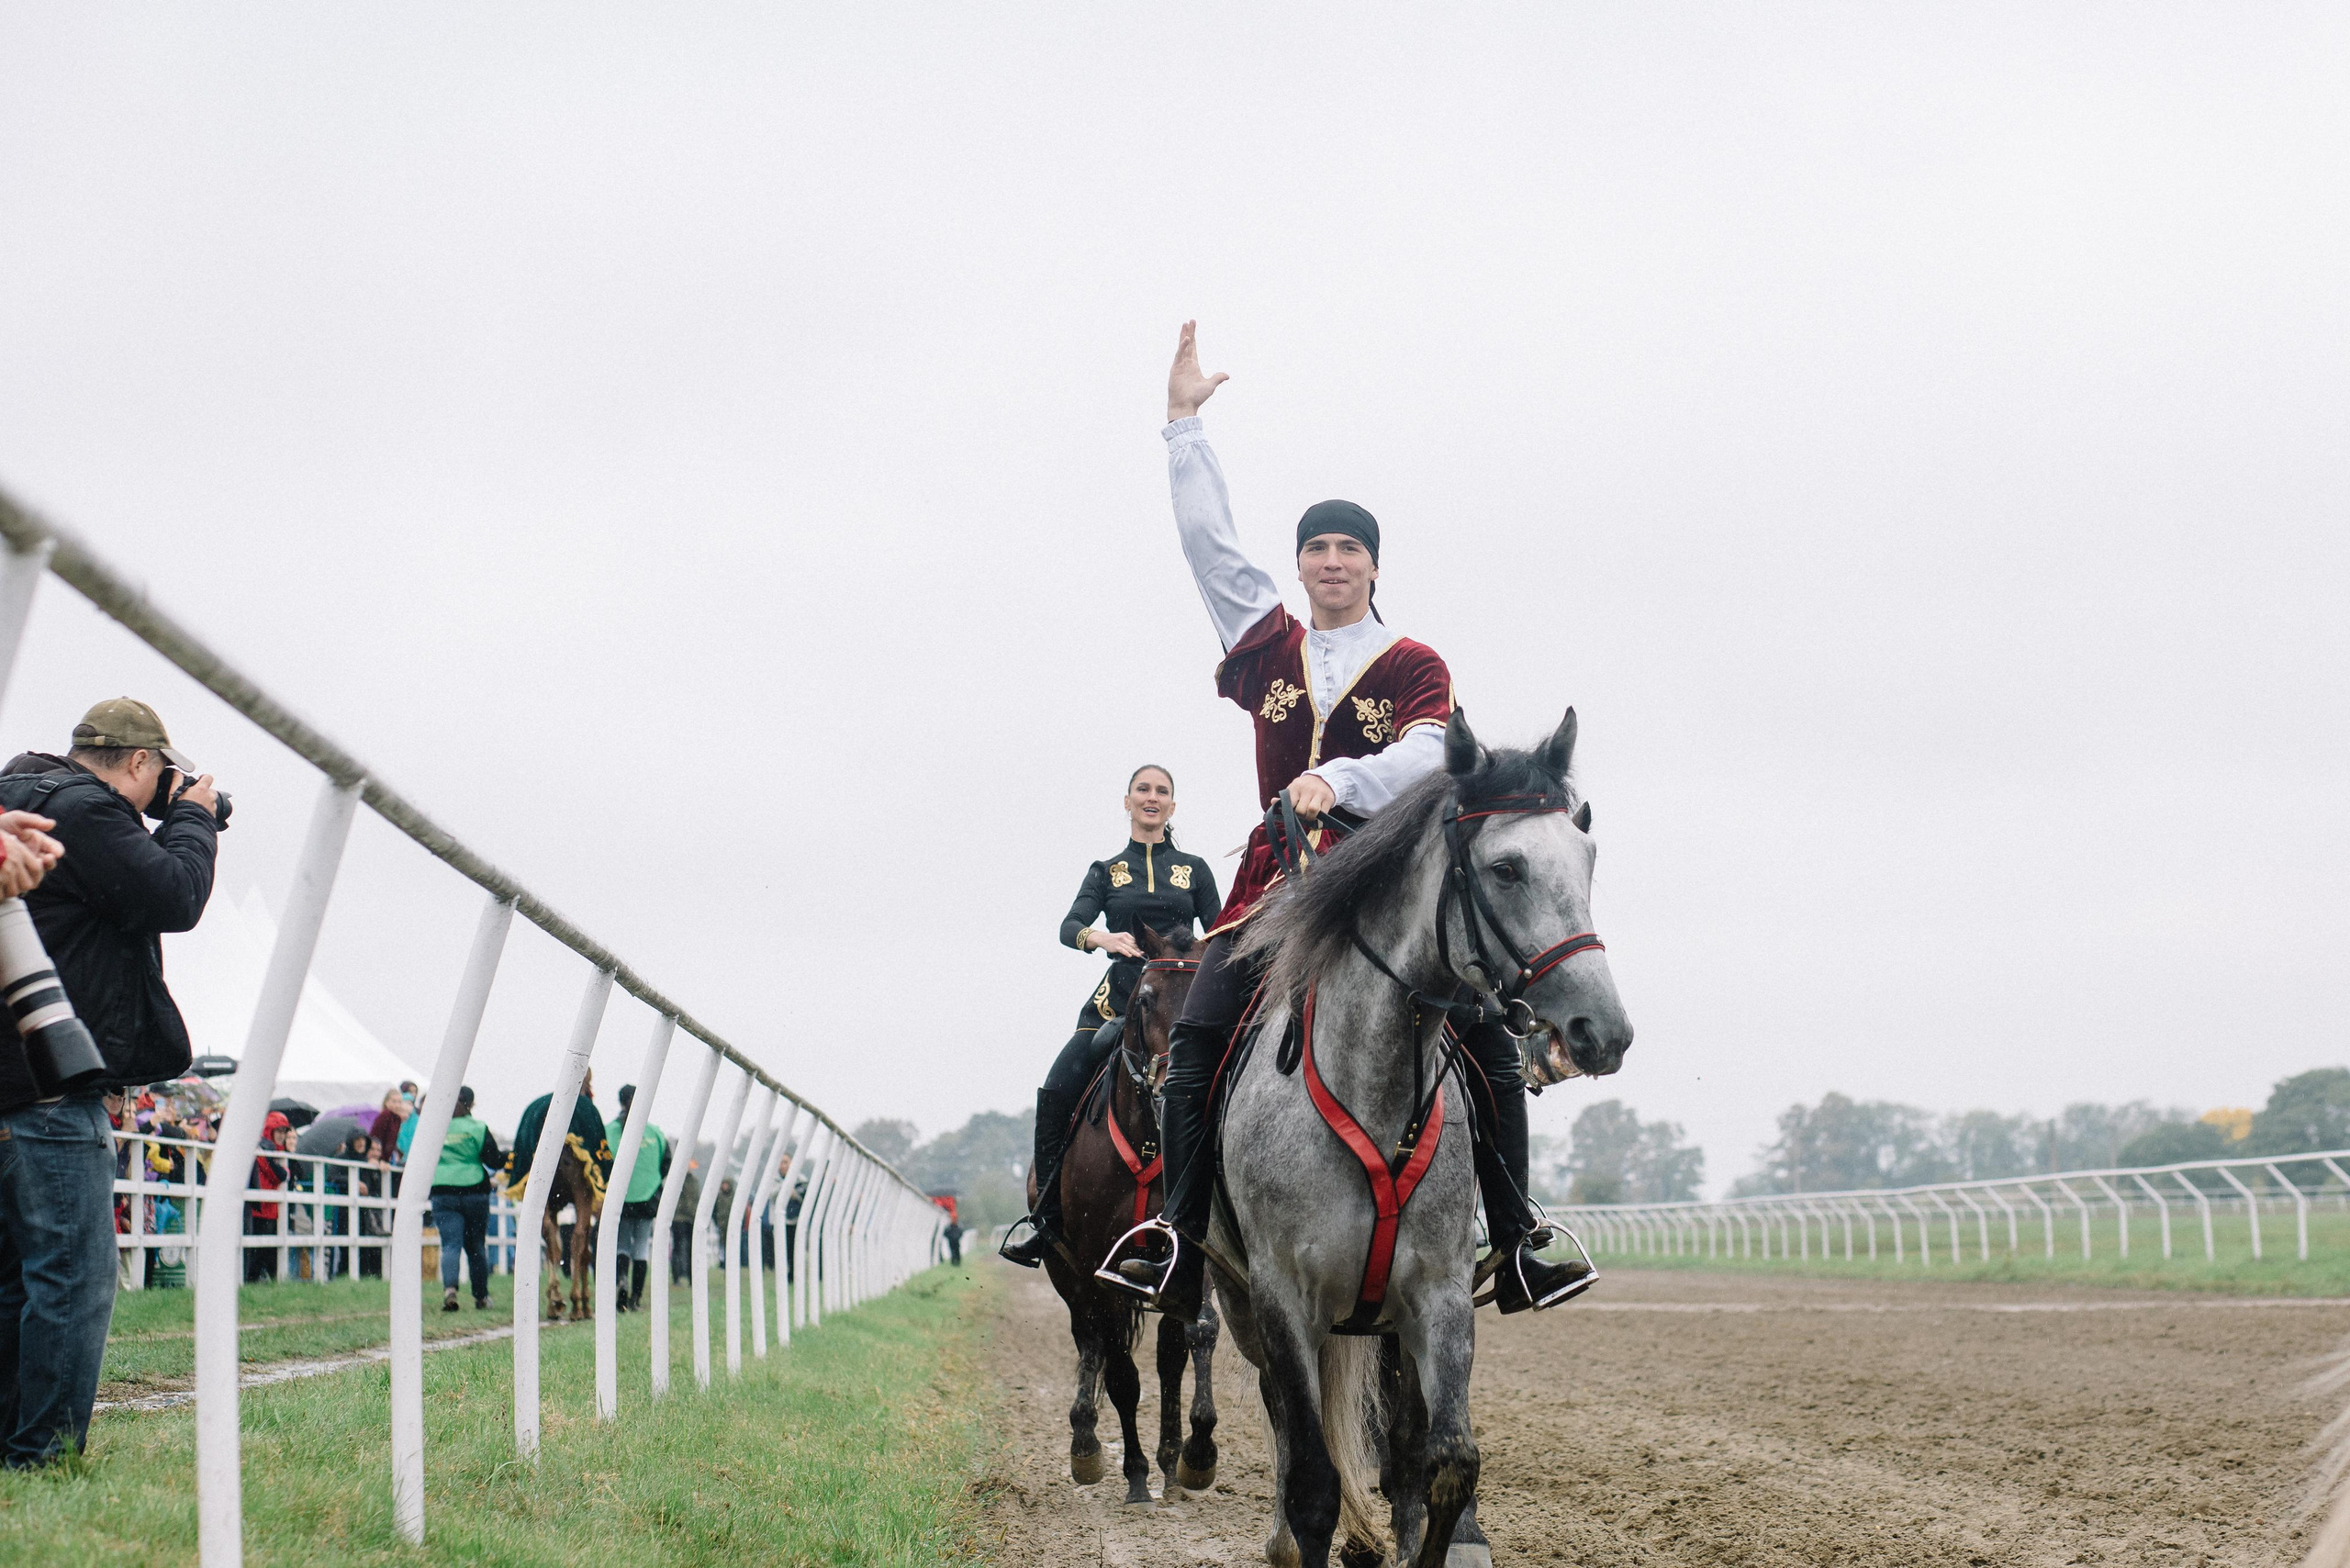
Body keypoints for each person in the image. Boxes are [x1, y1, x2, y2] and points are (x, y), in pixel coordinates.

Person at [1106, 324, 1594, 1319]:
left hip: (1385, 886)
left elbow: (1430, 751)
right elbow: (1210, 550)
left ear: (1373, 567)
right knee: (1196, 1030)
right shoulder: (1266, 641)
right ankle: (1178, 1236)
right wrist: (1183, 427)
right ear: (1299, 565)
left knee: (1487, 1040)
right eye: (1317, 548)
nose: (1332, 561)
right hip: (1276, 889)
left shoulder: (1414, 662)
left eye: (1349, 549)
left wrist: (1336, 777)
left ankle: (1517, 1232)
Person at [0, 695, 218, 1469]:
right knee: (73, 1279)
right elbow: (174, 896)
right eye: (162, 772)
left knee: (16, 1280)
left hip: (10, 1074)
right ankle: (44, 1459)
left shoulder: (16, 794)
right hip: (52, 1082)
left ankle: (13, 1453)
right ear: (139, 763)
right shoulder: (89, 812)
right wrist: (192, 817)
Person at [999, 765, 1219, 1268]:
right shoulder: (1106, 869)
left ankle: (1230, 1226)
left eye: (1162, 792)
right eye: (1143, 790)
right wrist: (1103, 938)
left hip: (1180, 1010)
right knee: (1057, 1088)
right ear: (1127, 801)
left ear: (1172, 806)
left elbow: (1222, 927)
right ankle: (1047, 1221)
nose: (1152, 798)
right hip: (1113, 1006)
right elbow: (1069, 926)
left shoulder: (1195, 869)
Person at [429, 1086, 501, 1311]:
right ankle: (481, 1297)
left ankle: (450, 1290)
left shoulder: (435, 1127)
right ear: (472, 1104)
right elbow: (494, 1161)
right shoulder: (478, 1128)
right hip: (474, 1191)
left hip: (443, 1190)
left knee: (450, 1245)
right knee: (476, 1246)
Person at [605, 1084, 669, 1312]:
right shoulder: (655, 1133)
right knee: (641, 1247)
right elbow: (666, 1165)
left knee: (621, 1245)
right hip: (647, 1199)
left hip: (619, 1199)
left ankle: (621, 1282)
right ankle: (636, 1298)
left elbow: (602, 1165)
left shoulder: (609, 1131)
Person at [243, 1112, 294, 1282]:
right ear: (270, 1130)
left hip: (270, 1210)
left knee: (266, 1256)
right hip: (260, 1209)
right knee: (256, 1258)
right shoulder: (264, 1149)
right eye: (278, 1131)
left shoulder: (273, 1151)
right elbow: (278, 1175)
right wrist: (285, 1172)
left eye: (284, 1131)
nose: (282, 1135)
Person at [670, 1159, 702, 1284]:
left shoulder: (694, 1181)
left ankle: (691, 1277)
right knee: (678, 1248)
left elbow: (695, 1199)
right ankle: (677, 1276)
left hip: (690, 1218)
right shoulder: (678, 1180)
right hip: (679, 1218)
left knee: (691, 1248)